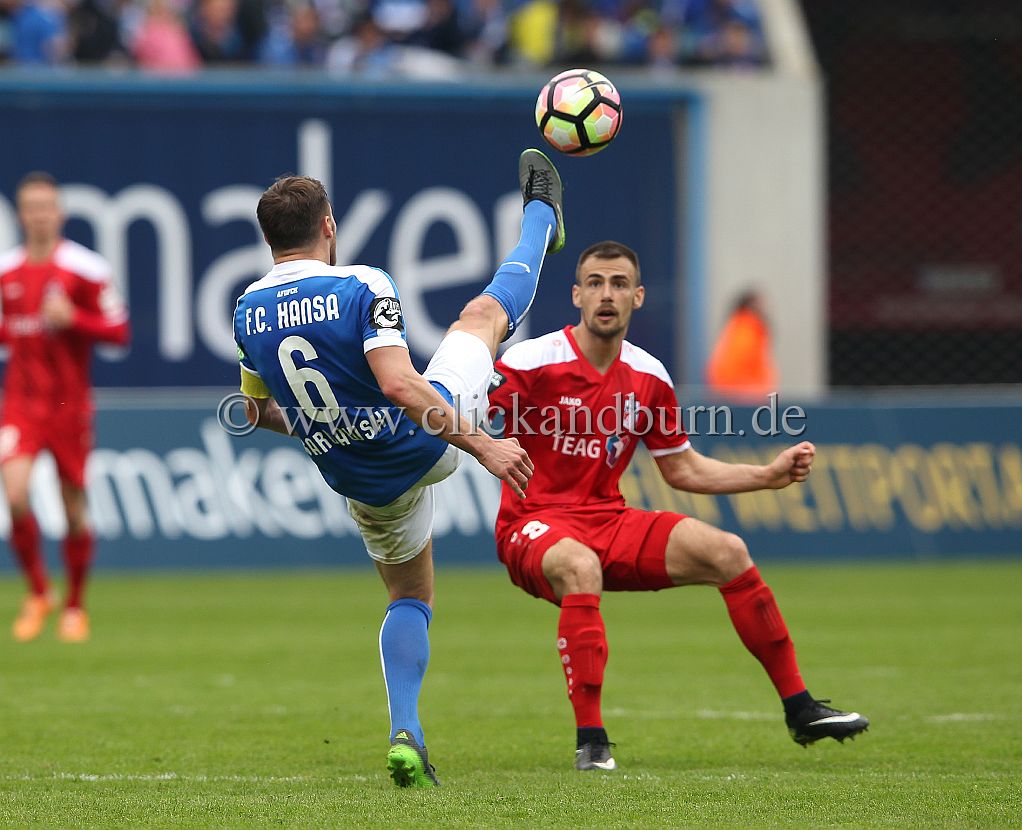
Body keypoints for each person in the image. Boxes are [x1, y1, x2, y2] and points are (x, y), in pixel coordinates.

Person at [233, 149, 565, 788]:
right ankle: (543, 217)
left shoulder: (246, 309)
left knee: (409, 597)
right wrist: (484, 446)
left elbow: (254, 413)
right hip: (426, 442)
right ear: (329, 225)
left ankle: (406, 732)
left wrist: (327, 423)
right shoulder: (363, 284)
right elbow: (398, 385)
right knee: (482, 317)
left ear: (268, 240)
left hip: (362, 479)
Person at [488, 240, 868, 771]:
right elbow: (467, 419)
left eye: (619, 284)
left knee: (729, 551)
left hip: (606, 519)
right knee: (580, 566)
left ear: (638, 297)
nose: (606, 294)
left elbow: (682, 468)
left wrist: (766, 476)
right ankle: (591, 741)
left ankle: (800, 708)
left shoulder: (649, 376)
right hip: (531, 523)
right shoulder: (531, 361)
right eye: (595, 283)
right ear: (576, 295)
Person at [0, 171, 131, 642]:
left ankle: (75, 605)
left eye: (46, 207)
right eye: (31, 208)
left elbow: (119, 332)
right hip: (20, 402)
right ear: (21, 215)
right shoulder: (6, 271)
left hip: (68, 405)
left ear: (60, 213)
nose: (39, 215)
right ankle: (39, 592)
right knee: (15, 494)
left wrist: (73, 318)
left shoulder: (86, 269)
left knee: (73, 509)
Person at [705, 288, 778, 400]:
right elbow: (735, 366)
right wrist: (754, 391)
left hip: (743, 394)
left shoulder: (740, 327)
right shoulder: (746, 330)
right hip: (744, 396)